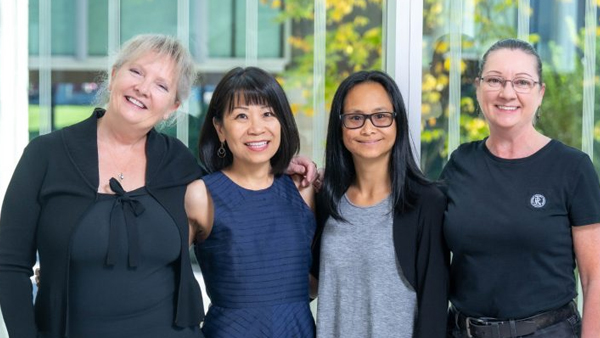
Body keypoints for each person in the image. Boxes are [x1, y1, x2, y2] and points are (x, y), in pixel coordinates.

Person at [0, 34, 205, 338]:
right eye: (136, 71)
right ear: (113, 76)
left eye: (161, 85)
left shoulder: (180, 163)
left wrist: (284, 168)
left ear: (172, 107)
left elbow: (237, 199)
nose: (143, 88)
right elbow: (9, 265)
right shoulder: (46, 155)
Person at [443, 38, 600, 338]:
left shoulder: (573, 168)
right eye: (494, 80)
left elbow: (596, 278)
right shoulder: (460, 163)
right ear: (478, 87)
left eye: (522, 82)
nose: (507, 92)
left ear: (540, 93)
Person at [311, 70, 449, 338]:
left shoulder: (426, 203)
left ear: (398, 123)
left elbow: (434, 311)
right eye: (355, 118)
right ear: (339, 127)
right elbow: (307, 285)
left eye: (381, 116)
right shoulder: (326, 199)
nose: (368, 128)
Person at [185, 66, 317, 337]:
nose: (257, 128)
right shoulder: (200, 194)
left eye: (268, 114)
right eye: (241, 116)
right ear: (220, 128)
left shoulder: (302, 188)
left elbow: (306, 282)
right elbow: (165, 278)